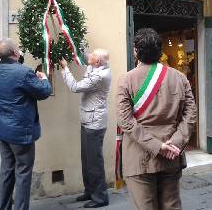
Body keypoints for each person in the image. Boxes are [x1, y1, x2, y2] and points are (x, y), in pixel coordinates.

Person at [116, 28, 197, 210]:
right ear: (160, 52)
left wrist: (157, 146)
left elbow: (125, 120)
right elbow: (190, 114)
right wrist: (175, 142)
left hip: (140, 155)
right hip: (172, 154)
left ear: (136, 51)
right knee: (171, 206)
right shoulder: (180, 77)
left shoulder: (126, 80)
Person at [0, 38, 52, 210]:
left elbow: (13, 73)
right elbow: (44, 92)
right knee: (23, 174)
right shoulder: (24, 73)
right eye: (17, 50)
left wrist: (18, 57)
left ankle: (2, 207)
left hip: (3, 130)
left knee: (7, 171)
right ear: (15, 53)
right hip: (21, 134)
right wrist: (44, 78)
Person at [59, 49, 111, 208]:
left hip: (94, 123)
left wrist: (65, 68)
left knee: (94, 162)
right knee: (87, 160)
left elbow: (75, 87)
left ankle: (100, 198)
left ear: (98, 62)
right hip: (88, 120)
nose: (90, 56)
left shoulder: (99, 76)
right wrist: (73, 45)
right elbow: (85, 53)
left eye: (94, 56)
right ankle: (90, 191)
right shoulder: (96, 65)